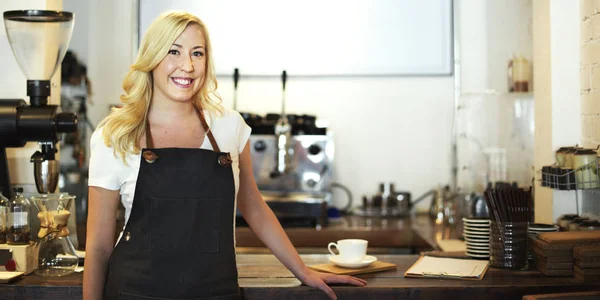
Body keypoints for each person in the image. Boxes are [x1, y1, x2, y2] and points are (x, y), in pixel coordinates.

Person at [83, 10, 366, 300]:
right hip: (134, 292)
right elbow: (98, 246)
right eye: (174, 51)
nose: (188, 65)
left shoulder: (229, 126)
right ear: (152, 58)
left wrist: (302, 270)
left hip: (215, 292)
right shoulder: (115, 135)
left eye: (197, 53)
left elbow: (253, 206)